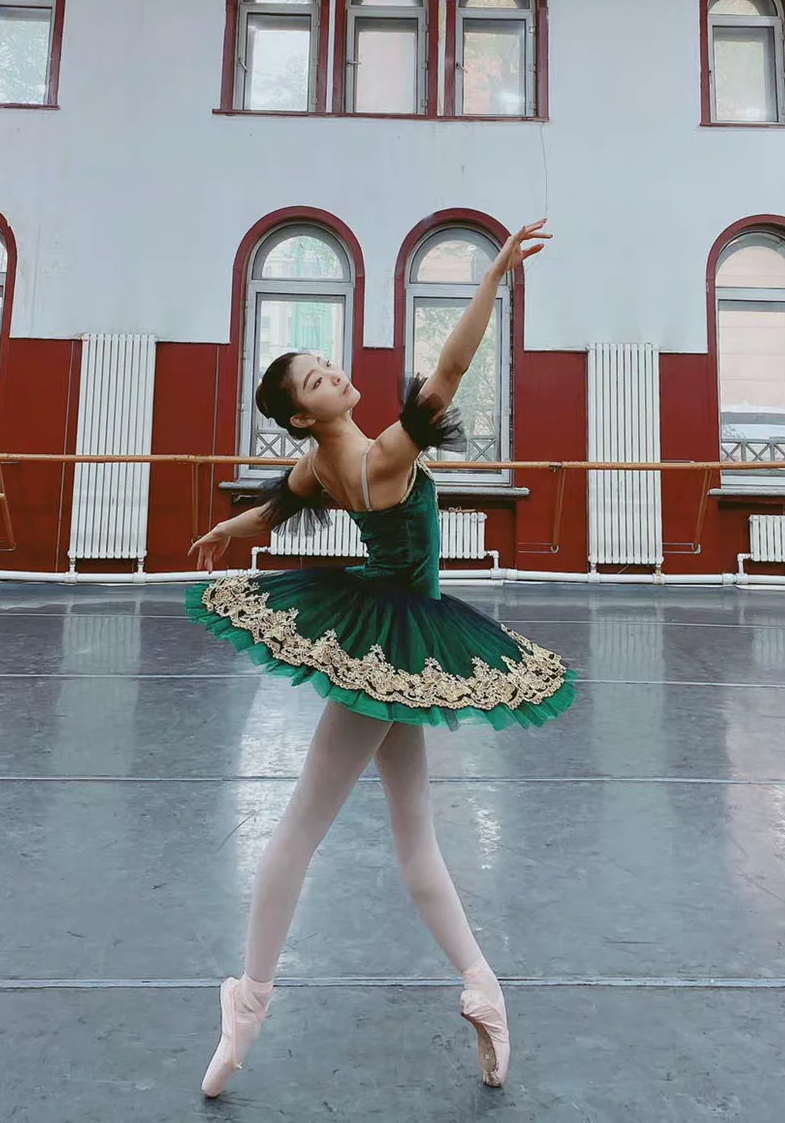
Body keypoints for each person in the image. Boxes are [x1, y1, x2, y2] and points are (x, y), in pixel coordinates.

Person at [186, 219, 576, 1096]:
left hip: (388, 637)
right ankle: (252, 1002)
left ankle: (477, 989)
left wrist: (230, 527)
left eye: (326, 366)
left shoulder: (329, 465)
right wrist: (495, 279)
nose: (333, 374)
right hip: (393, 638)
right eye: (316, 381)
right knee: (315, 829)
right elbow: (448, 373)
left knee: (396, 838)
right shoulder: (377, 459)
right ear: (301, 415)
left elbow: (272, 512)